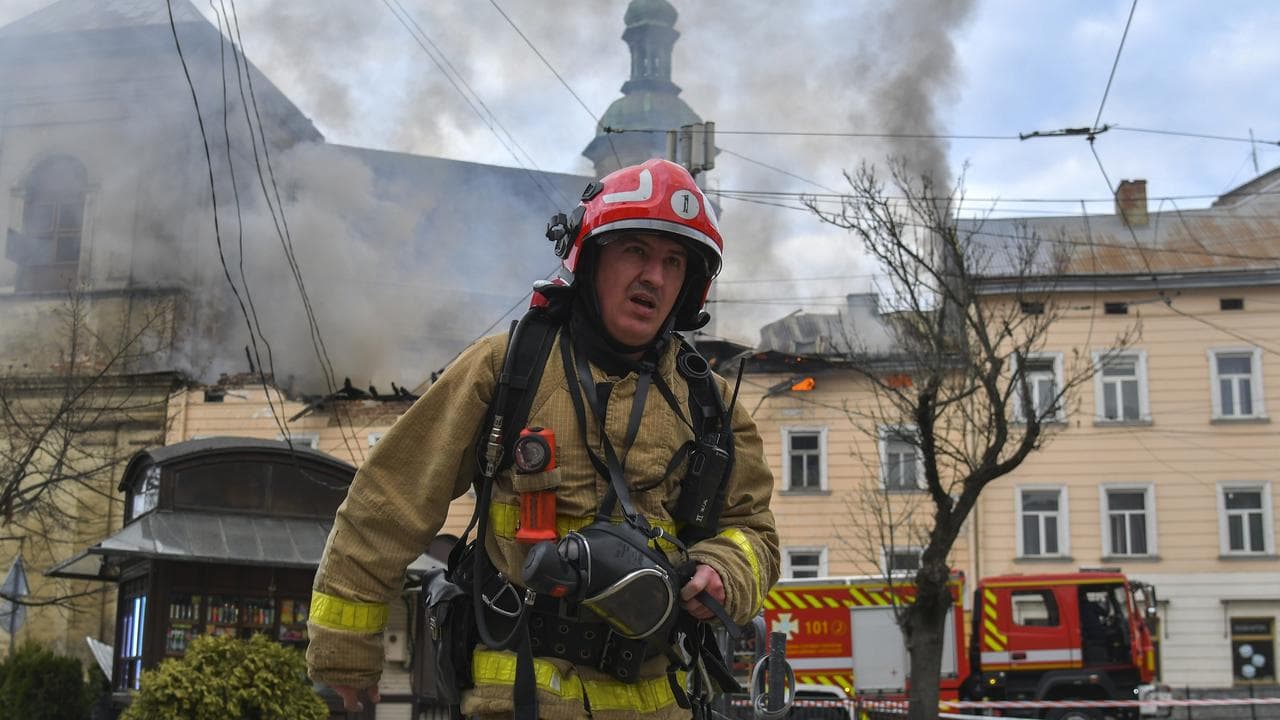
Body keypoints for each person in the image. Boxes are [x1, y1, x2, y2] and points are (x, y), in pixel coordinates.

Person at [306, 158, 780, 719]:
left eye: (673, 261)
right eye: (635, 251)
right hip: (520, 696)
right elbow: (387, 502)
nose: (654, 275)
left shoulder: (710, 404)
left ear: (688, 285)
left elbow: (755, 533)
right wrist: (343, 654)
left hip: (659, 701)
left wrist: (725, 571)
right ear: (592, 256)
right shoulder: (508, 369)